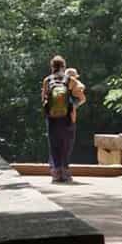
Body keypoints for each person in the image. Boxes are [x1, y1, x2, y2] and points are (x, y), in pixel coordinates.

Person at [41, 54, 85, 183]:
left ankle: (56, 173)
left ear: (52, 67)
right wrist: (72, 106)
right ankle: (65, 172)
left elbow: (44, 99)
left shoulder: (47, 80)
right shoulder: (70, 80)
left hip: (52, 118)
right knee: (66, 144)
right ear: (63, 66)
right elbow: (82, 97)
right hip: (68, 118)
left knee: (54, 144)